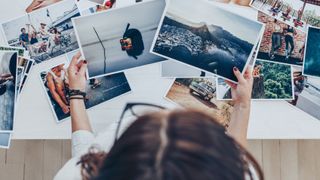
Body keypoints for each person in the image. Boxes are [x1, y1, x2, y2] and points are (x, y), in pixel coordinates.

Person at [55, 53, 263, 180]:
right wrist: (242, 105)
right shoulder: (236, 173)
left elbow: (82, 155)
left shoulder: (73, 176)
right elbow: (235, 157)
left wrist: (76, 93)